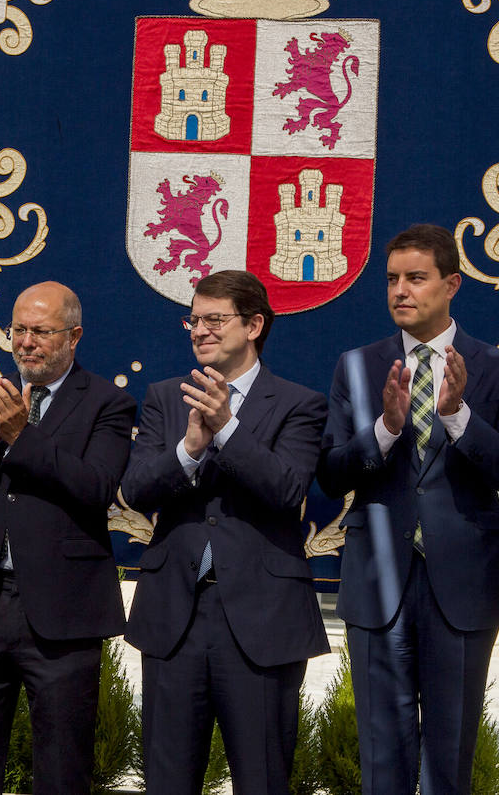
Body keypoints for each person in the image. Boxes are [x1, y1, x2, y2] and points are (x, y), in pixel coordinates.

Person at [318, 223, 499, 794]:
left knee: (449, 758)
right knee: (381, 759)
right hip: (379, 581)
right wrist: (387, 429)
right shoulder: (357, 366)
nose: (400, 291)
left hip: (464, 585)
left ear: (452, 285)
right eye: (392, 279)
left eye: (416, 278)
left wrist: (460, 417)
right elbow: (329, 474)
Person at [0, 281, 136, 795]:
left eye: (41, 331)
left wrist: (22, 436)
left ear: (74, 335)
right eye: (18, 330)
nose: (25, 342)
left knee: (62, 770)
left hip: (62, 617)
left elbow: (97, 488)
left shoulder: (109, 403)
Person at [123, 270, 329, 795]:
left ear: (254, 324)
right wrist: (190, 448)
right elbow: (138, 489)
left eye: (215, 319)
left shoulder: (298, 404)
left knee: (262, 780)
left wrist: (228, 429)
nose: (200, 330)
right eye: (194, 319)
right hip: (175, 619)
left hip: (262, 623)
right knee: (167, 781)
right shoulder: (167, 397)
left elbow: (286, 490)